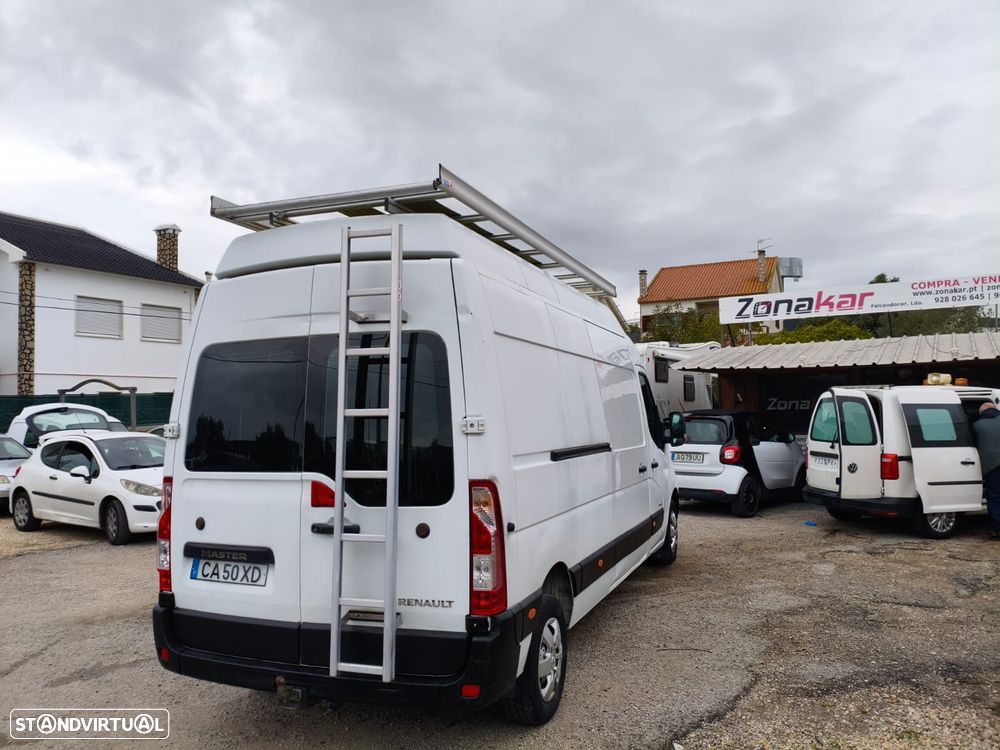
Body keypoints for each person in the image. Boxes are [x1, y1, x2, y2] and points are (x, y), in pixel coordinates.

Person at [972, 401, 1000, 540]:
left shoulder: (976, 426)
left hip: (992, 467)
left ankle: (998, 529)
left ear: (981, 413)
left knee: (994, 497)